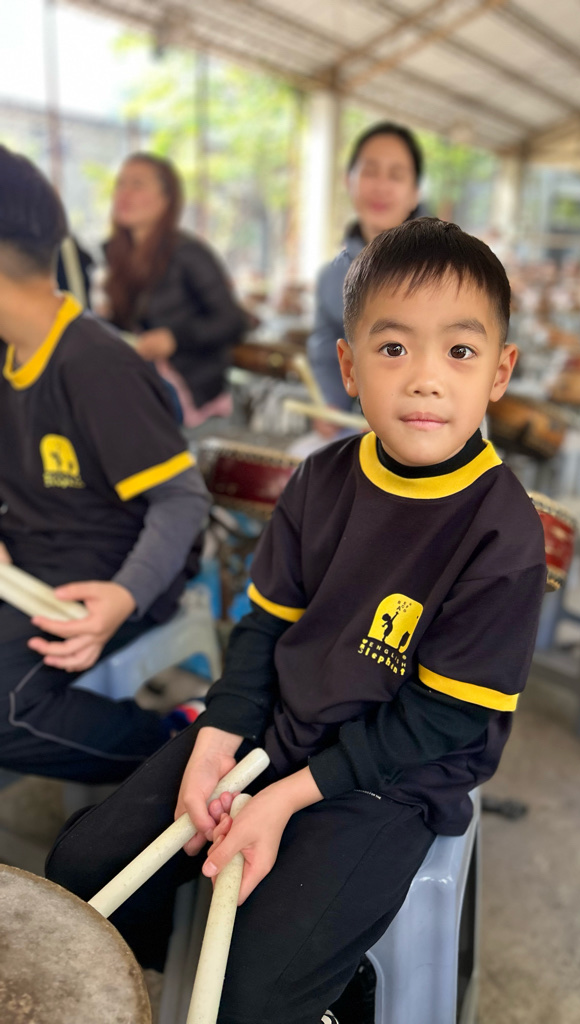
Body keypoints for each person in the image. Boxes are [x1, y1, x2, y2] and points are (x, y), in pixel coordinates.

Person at [47, 218, 547, 1023]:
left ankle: (340, 988)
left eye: (460, 350)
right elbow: (264, 629)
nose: (426, 378)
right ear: (348, 367)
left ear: (500, 371)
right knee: (84, 870)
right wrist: (218, 736)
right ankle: (205, 950)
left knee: (254, 992)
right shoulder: (320, 479)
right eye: (394, 348)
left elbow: (443, 721)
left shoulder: (503, 531)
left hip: (391, 781)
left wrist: (282, 800)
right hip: (276, 730)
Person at [0, 146, 212, 783]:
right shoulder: (9, 352)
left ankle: (176, 746)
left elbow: (183, 500)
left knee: (3, 711)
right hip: (31, 557)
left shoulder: (95, 363)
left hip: (111, 573)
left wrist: (124, 596)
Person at [103, 152, 248, 427]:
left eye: (137, 184)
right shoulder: (115, 256)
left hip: (189, 389)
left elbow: (233, 321)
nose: (124, 194)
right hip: (141, 378)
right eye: (120, 184)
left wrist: (174, 339)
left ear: (166, 198)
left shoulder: (189, 253)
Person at [307, 121, 423, 423]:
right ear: (349, 181)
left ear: (414, 193)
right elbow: (327, 356)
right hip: (361, 428)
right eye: (370, 172)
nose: (381, 186)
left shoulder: (448, 268)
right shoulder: (332, 278)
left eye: (396, 175)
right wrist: (330, 405)